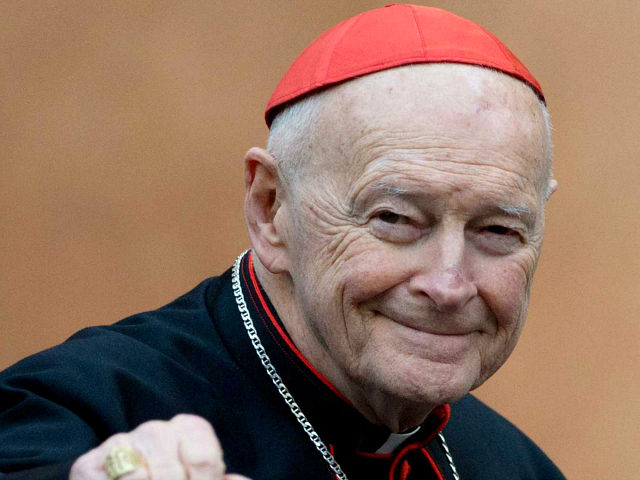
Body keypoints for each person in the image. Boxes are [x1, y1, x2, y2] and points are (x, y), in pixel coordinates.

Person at [0, 5, 564, 480]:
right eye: (395, 219)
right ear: (270, 208)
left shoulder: (516, 467)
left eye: (498, 231)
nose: (448, 284)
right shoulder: (67, 421)